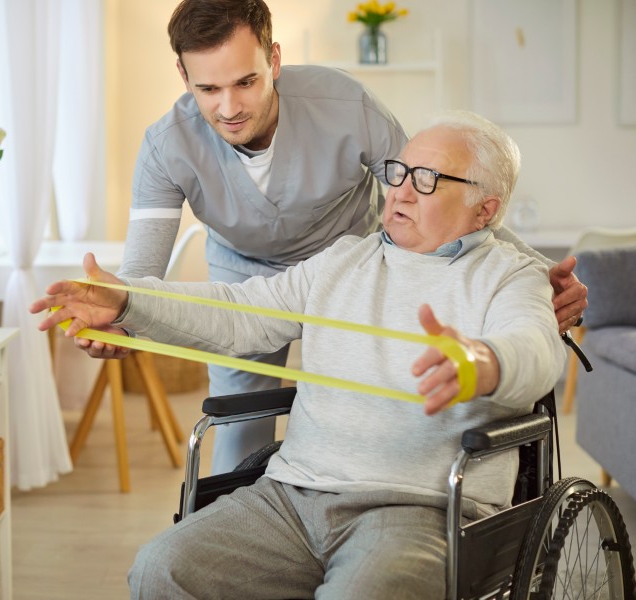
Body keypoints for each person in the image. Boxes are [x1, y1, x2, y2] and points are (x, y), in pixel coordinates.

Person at [31, 111, 567, 599]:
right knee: (161, 569)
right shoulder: (342, 261)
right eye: (398, 173)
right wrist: (128, 302)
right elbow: (241, 311)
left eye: (427, 181)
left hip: (418, 509)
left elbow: (538, 349)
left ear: (485, 209)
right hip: (291, 496)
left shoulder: (510, 276)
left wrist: (484, 362)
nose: (401, 193)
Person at [79, 0, 586, 475]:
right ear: (184, 76)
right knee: (238, 423)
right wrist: (121, 314)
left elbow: (437, 192)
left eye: (246, 81)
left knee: (374, 413)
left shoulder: (345, 103)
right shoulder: (165, 146)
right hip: (244, 277)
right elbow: (140, 274)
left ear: (274, 60)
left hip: (351, 269)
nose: (229, 107)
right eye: (208, 90)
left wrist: (541, 275)